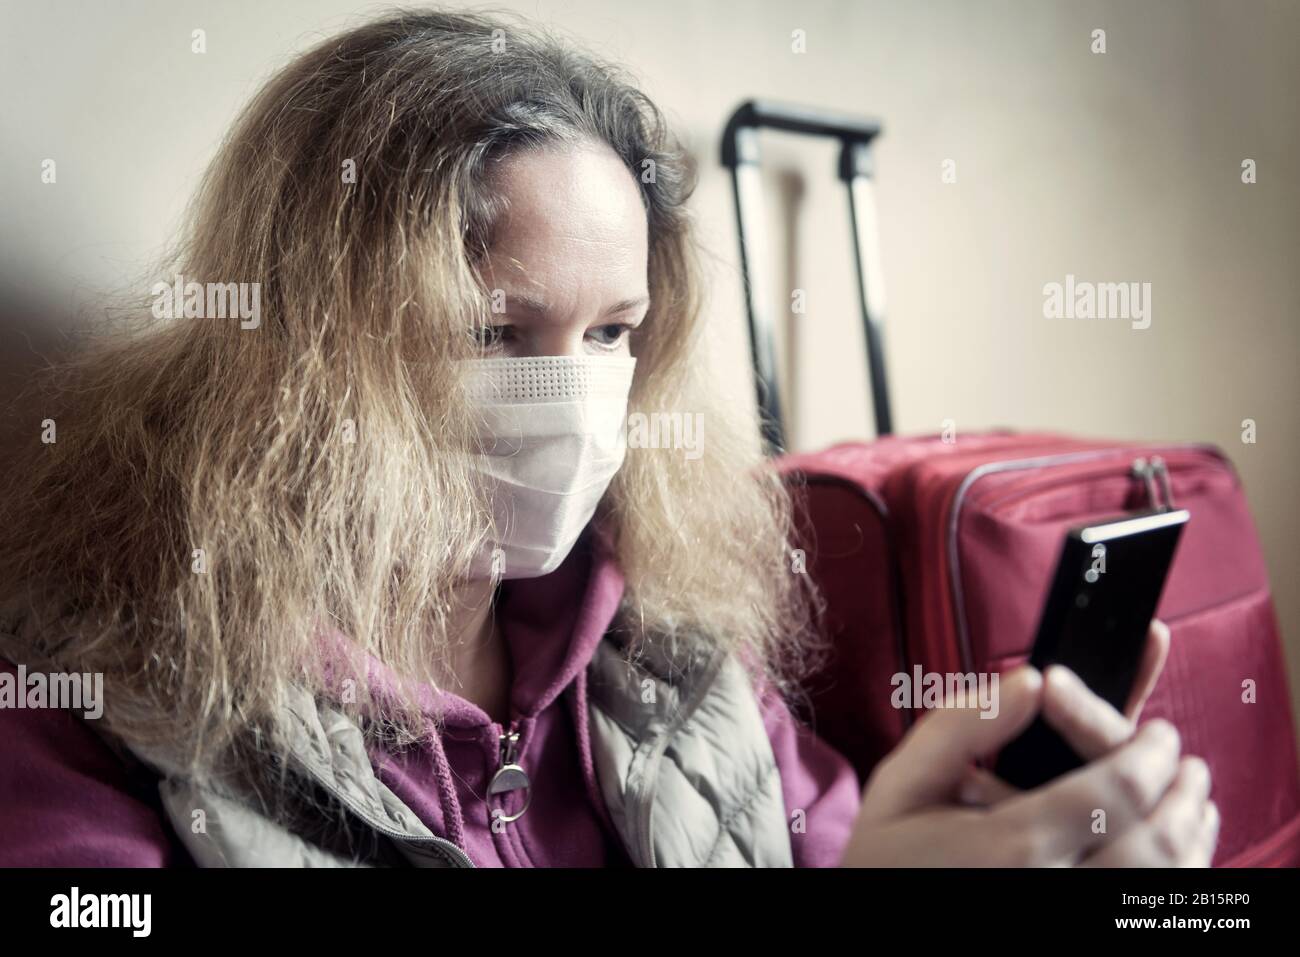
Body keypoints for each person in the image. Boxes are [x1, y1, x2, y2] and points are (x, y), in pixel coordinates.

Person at [0, 9, 1216, 868]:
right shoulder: (93, 720)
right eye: (491, 331)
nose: (573, 401)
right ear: (303, 344)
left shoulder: (672, 656)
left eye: (610, 334)